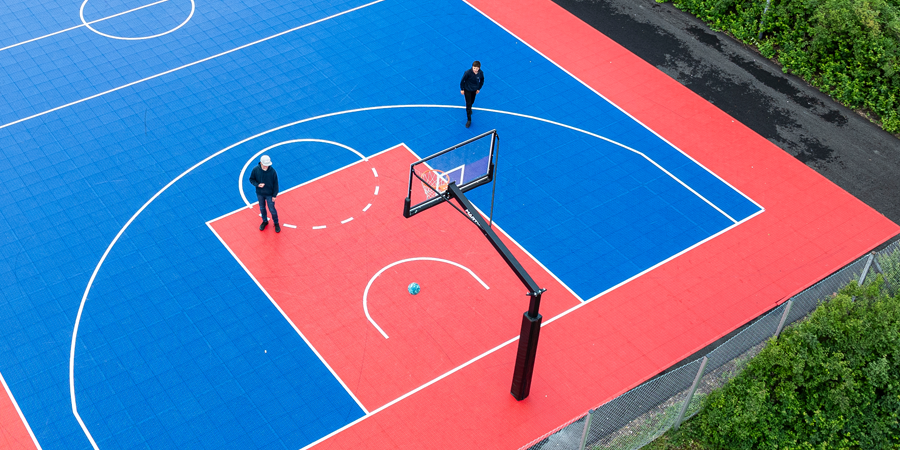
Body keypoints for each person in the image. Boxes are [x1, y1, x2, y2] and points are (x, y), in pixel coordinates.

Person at [249, 155, 280, 233]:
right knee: (262, 208)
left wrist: (274, 195)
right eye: (265, 165)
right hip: (260, 193)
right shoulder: (255, 170)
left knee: (272, 209)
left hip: (270, 194)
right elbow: (251, 179)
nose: (267, 166)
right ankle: (265, 221)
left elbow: (276, 184)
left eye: (268, 165)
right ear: (261, 163)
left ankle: (276, 223)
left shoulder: (272, 172)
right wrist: (257, 184)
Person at [460, 60, 484, 128]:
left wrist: (478, 88)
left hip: (474, 90)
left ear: (479, 68)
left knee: (472, 101)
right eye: (474, 68)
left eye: (477, 68)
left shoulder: (480, 73)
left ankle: (470, 109)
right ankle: (469, 120)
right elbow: (462, 81)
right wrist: (462, 89)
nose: (475, 70)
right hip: (467, 90)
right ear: (472, 67)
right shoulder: (467, 73)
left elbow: (482, 80)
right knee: (468, 104)